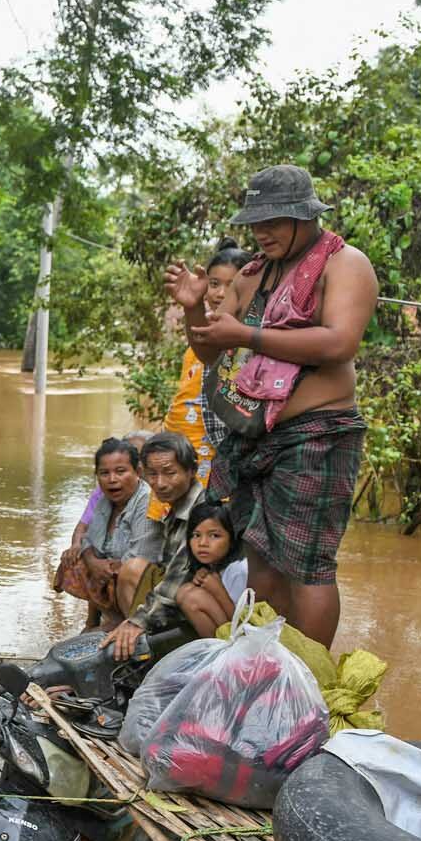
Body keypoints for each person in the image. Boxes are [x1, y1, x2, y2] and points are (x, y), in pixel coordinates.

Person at [165, 164, 378, 646]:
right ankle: (269, 665)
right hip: (255, 433)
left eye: (274, 222)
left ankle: (313, 680)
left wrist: (245, 334)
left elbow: (339, 343)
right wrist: (195, 307)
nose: (262, 233)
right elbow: (210, 350)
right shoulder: (252, 274)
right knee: (260, 554)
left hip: (317, 433)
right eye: (255, 224)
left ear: (306, 217)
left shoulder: (345, 265)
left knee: (308, 565)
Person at [160, 240, 255, 489]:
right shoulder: (200, 332)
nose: (220, 293)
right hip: (182, 454)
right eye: (214, 284)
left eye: (231, 285)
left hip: (225, 459)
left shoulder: (252, 336)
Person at [104, 431, 207, 659]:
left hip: (202, 607)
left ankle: (154, 649)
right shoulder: (176, 507)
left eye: (170, 473)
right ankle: (141, 645)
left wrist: (137, 622)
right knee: (133, 568)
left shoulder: (201, 513)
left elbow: (177, 581)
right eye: (152, 474)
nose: (160, 483)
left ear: (192, 471)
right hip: (183, 598)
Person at [55, 437, 152, 628]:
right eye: (104, 473)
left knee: (126, 571)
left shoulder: (145, 501)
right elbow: (88, 537)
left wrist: (103, 566)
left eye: (120, 471)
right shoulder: (104, 500)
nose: (112, 479)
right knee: (72, 561)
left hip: (140, 580)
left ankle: (128, 624)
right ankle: (102, 621)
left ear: (138, 472)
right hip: (109, 568)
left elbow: (140, 556)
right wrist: (92, 562)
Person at [173, 499, 242, 636]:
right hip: (231, 632)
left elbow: (245, 622)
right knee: (184, 591)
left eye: (214, 536)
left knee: (194, 598)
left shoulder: (238, 569)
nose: (202, 543)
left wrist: (217, 590)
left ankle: (221, 652)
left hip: (246, 638)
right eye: (196, 535)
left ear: (232, 537)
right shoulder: (212, 567)